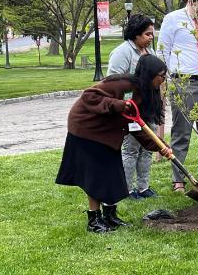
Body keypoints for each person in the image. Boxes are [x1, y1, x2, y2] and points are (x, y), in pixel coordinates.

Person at [56, 55, 172, 233]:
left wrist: (160, 145)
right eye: (161, 76)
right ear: (150, 74)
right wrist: (116, 104)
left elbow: (137, 126)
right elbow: (89, 96)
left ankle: (110, 216)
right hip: (87, 128)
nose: (163, 80)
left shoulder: (145, 92)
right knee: (96, 176)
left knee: (113, 174)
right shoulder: (123, 84)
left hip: (106, 133)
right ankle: (94, 221)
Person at [157, 0, 198, 193]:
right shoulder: (172, 19)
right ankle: (179, 179)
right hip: (184, 81)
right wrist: (165, 82)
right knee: (182, 132)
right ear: (189, 2)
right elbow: (162, 52)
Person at [107, 14, 159, 200]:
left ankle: (143, 188)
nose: (151, 37)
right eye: (147, 34)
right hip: (131, 111)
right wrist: (126, 104)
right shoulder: (122, 52)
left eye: (152, 34)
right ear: (135, 34)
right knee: (131, 149)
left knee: (147, 148)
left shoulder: (150, 52)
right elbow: (112, 82)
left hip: (149, 109)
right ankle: (127, 189)